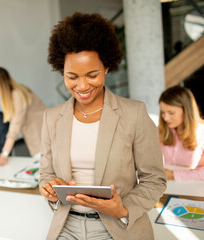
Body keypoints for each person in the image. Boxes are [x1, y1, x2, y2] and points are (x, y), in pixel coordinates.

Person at [39, 13, 166, 240]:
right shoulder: (52, 118)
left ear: (107, 67)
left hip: (118, 226)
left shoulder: (134, 113)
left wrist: (124, 209)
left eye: (92, 74)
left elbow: (154, 178)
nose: (82, 85)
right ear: (62, 71)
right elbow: (46, 174)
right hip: (66, 226)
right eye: (72, 76)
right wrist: (48, 188)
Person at [0, 66, 46, 166]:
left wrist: (4, 155)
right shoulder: (8, 95)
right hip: (37, 137)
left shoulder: (17, 95)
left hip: (43, 138)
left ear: (0, 86)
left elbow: (15, 128)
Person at [159, 86, 204, 181]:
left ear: (186, 111)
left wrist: (173, 175)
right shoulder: (162, 130)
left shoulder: (201, 133)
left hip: (193, 190)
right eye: (163, 112)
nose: (165, 118)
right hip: (167, 187)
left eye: (171, 113)